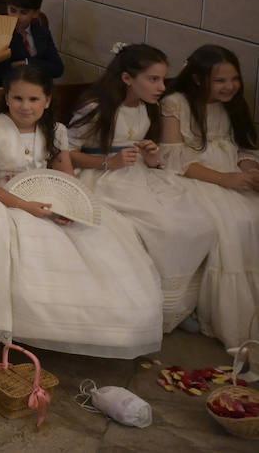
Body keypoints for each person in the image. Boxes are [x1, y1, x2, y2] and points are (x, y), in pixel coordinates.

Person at [0, 64, 164, 358]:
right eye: (18, 98)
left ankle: (97, 323)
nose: (25, 106)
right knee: (28, 248)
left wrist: (68, 208)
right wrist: (25, 206)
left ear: (47, 100)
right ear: (7, 98)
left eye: (34, 99)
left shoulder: (55, 131)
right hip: (5, 201)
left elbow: (66, 177)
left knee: (94, 242)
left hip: (49, 199)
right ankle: (25, 324)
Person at [67, 44, 215, 332]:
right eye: (153, 79)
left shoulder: (146, 107)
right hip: (103, 177)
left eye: (162, 79)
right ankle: (154, 302)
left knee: (200, 223)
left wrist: (149, 154)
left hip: (137, 175)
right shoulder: (97, 108)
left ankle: (179, 303)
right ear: (127, 78)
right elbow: (67, 151)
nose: (162, 87)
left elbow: (140, 151)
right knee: (162, 228)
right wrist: (108, 161)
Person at [159, 44, 259, 349]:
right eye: (220, 81)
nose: (230, 86)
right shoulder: (176, 103)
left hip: (232, 172)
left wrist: (249, 169)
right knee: (235, 222)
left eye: (234, 78)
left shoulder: (234, 104)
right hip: (195, 175)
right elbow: (173, 158)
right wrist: (224, 179)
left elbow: (244, 146)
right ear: (199, 78)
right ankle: (220, 309)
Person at [0, 0, 65, 83]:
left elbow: (57, 68)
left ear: (35, 13)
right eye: (13, 10)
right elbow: (2, 71)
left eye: (23, 13)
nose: (16, 17)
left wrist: (26, 62)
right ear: (7, 7)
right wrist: (40, 64)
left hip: (39, 85)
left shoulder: (42, 32)